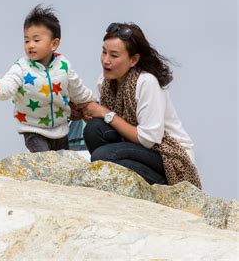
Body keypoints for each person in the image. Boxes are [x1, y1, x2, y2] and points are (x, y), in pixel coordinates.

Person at [78, 22, 202, 188]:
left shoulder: (146, 82)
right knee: (93, 129)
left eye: (114, 55)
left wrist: (106, 113)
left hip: (168, 156)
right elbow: (108, 123)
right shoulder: (105, 82)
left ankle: (164, 186)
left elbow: (149, 139)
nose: (106, 61)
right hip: (135, 147)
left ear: (134, 59)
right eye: (104, 52)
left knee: (105, 156)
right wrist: (86, 113)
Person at [0, 5, 94, 152]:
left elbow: (78, 90)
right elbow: (9, 83)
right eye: (26, 40)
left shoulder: (63, 66)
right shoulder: (22, 67)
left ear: (54, 44)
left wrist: (92, 102)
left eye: (36, 40)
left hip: (61, 130)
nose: (30, 45)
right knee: (44, 162)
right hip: (33, 130)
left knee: (64, 166)